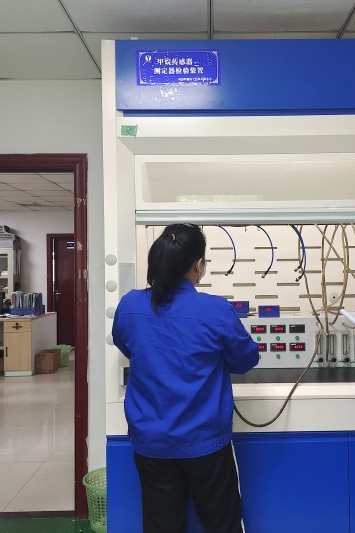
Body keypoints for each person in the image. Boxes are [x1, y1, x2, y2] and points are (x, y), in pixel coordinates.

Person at [112, 223, 259, 533]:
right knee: (222, 525)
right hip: (205, 443)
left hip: (151, 442)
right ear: (198, 264)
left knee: (161, 526)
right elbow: (245, 360)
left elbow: (127, 346)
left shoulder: (129, 305)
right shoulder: (215, 310)